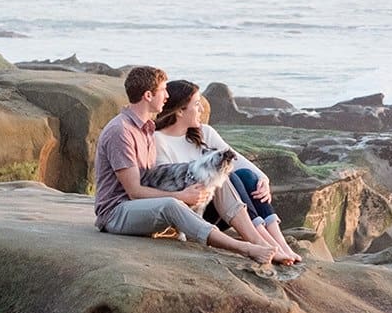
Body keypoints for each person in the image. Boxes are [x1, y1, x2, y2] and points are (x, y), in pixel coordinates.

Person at [94, 65, 274, 266]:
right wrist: (181, 196)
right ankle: (245, 248)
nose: (167, 95)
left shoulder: (147, 128)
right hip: (117, 212)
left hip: (142, 206)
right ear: (147, 95)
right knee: (172, 204)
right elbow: (134, 191)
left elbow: (154, 177)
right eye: (163, 90)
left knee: (216, 178)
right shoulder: (121, 132)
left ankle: (258, 240)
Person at [150, 79, 303, 266]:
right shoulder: (158, 140)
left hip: (218, 207)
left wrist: (264, 179)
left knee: (248, 176)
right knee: (226, 175)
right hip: (191, 213)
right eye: (196, 105)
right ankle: (262, 242)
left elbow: (237, 160)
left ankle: (280, 244)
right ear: (180, 110)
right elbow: (166, 183)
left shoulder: (204, 132)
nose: (201, 110)